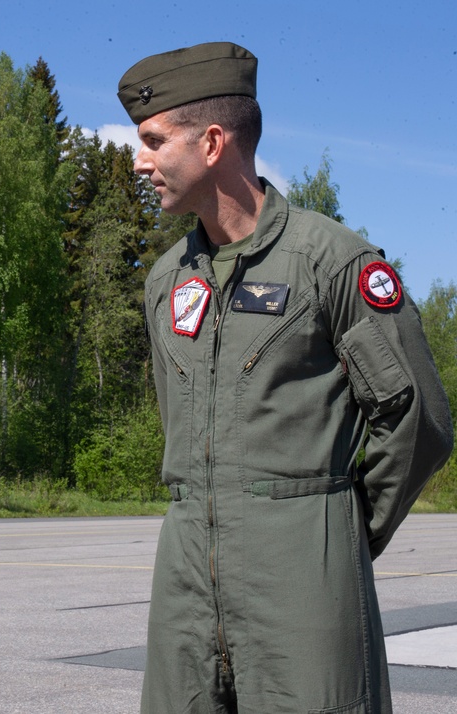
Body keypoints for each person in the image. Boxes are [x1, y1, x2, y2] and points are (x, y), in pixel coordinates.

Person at [116, 42, 453, 713]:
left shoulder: (331, 263)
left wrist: (335, 529)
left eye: (153, 140)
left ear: (212, 143)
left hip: (303, 583)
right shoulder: (166, 282)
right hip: (185, 580)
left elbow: (417, 419)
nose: (138, 160)